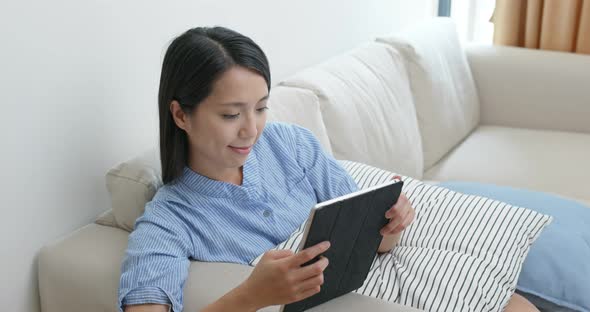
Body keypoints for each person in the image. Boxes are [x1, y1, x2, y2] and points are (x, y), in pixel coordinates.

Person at [118, 27, 538, 312]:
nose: (251, 130)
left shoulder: (291, 145)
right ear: (180, 115)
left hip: (388, 278)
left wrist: (388, 226)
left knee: (519, 305)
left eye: (261, 108)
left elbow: (374, 245)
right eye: (231, 115)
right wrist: (251, 295)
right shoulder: (169, 221)